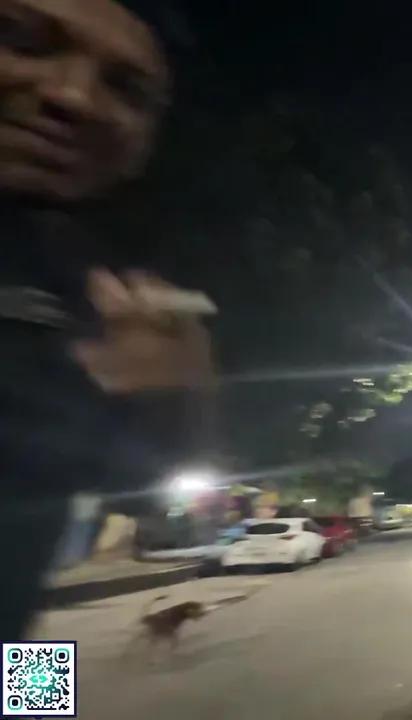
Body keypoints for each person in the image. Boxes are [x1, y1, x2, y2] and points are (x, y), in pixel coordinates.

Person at [0, 0, 212, 640]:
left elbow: (123, 486)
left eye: (126, 88)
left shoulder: (74, 273)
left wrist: (176, 404)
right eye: (21, 39)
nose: (74, 97)